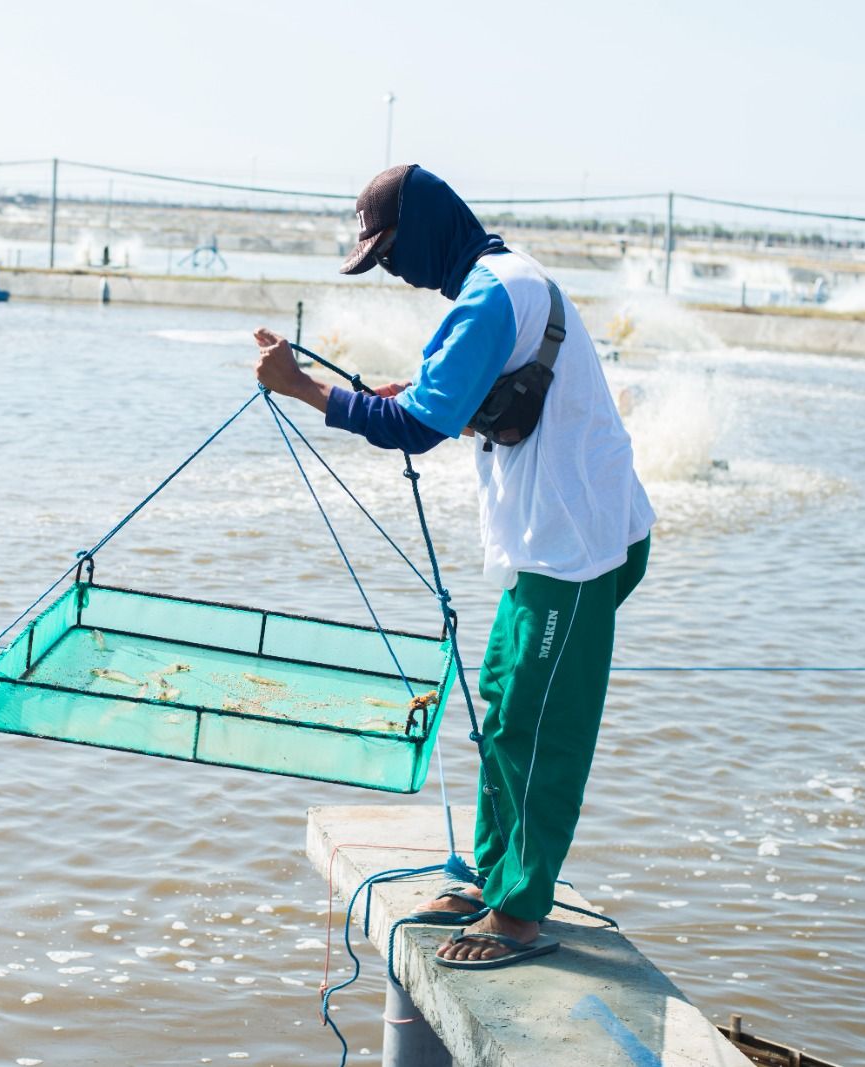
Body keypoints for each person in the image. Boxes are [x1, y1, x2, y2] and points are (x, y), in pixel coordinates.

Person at [253, 164, 655, 970]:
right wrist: (422, 393)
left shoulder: (493, 293)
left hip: (576, 545)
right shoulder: (497, 282)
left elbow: (417, 426)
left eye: (393, 251)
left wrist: (303, 388)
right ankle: (491, 873)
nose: (394, 270)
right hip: (546, 542)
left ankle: (519, 912)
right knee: (505, 710)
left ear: (432, 226)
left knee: (542, 729)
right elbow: (470, 394)